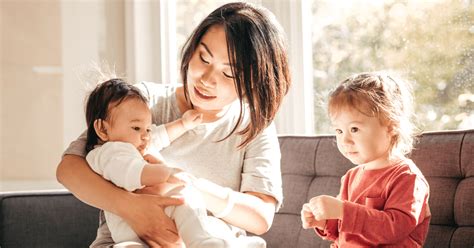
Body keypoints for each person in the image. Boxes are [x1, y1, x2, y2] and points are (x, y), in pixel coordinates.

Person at [56, 2, 291, 247]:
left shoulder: (254, 127)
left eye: (229, 73)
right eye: (203, 58)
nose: (207, 80)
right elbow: (69, 169)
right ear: (191, 51)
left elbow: (260, 217)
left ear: (255, 83)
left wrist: (189, 186)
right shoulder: (142, 102)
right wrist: (134, 210)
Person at [85, 78, 250, 247]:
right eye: (136, 128)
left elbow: (161, 135)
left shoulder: (140, 143)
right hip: (133, 229)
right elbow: (130, 172)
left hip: (164, 212)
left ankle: (205, 242)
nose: (145, 135)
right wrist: (167, 173)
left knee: (189, 203)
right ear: (103, 129)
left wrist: (183, 124)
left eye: (147, 129)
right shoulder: (107, 153)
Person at [300, 72, 431, 247]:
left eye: (354, 129)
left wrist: (342, 210)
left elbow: (394, 229)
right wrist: (324, 221)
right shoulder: (351, 177)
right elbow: (345, 230)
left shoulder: (407, 177)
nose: (344, 140)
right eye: (339, 131)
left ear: (391, 127)